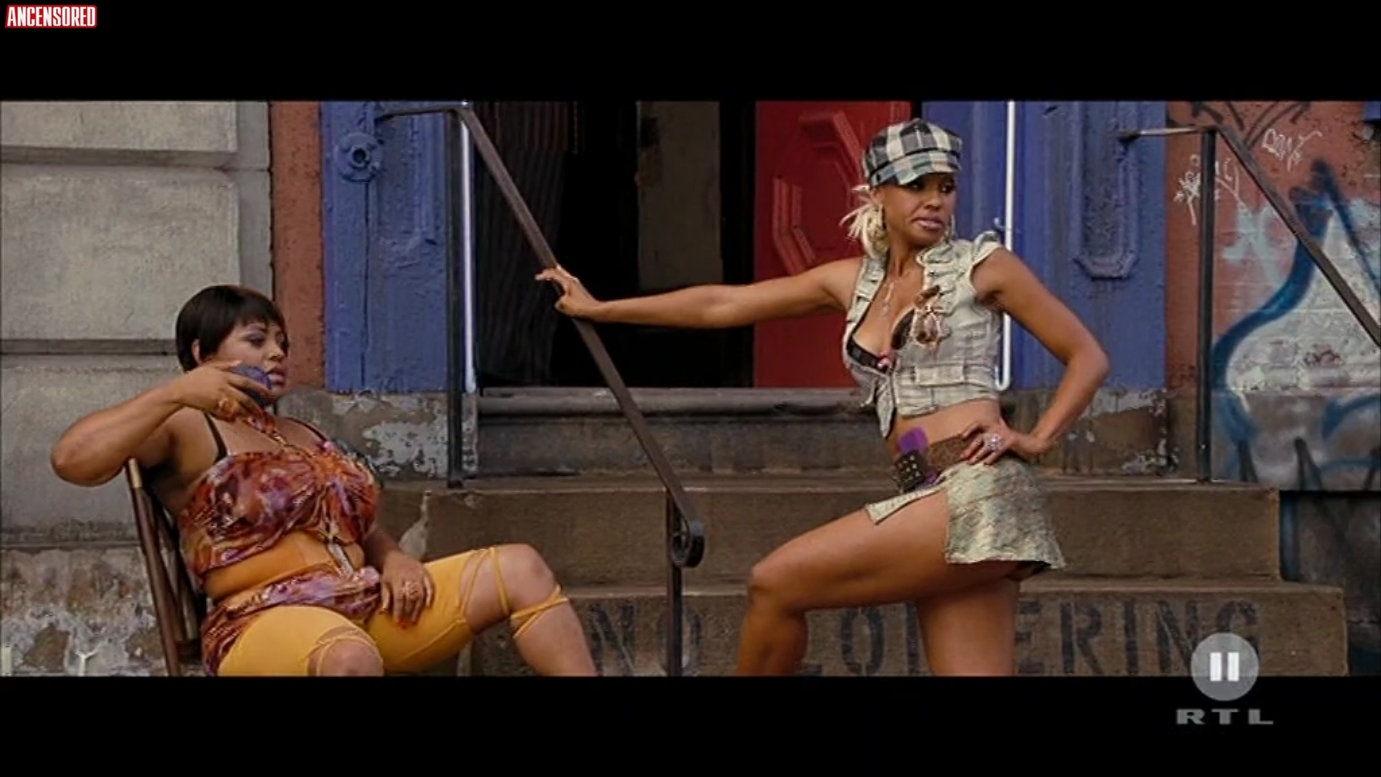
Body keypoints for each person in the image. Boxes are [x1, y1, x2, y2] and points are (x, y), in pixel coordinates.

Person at [536, 118, 1110, 676]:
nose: (935, 200)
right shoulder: (853, 281)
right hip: (924, 496)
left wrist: (1036, 439)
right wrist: (603, 309)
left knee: (775, 583)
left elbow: (1088, 356)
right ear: (877, 192)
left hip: (976, 491)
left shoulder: (982, 268)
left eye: (945, 186)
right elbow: (725, 304)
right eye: (916, 185)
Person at [50, 284, 597, 677]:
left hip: (363, 604)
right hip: (263, 622)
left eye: (281, 343)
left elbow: (356, 526)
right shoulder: (187, 428)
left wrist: (395, 558)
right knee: (348, 655)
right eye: (257, 340)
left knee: (521, 568)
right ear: (202, 353)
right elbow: (72, 460)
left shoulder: (301, 431)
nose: (277, 353)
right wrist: (172, 393)